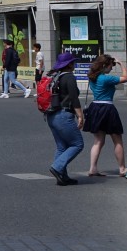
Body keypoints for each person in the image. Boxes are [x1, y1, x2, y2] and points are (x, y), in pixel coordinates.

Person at [84, 54, 127, 177]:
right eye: (110, 66)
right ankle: (122, 168)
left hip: (95, 107)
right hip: (107, 107)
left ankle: (92, 168)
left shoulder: (93, 77)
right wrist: (121, 64)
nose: (111, 68)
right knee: (117, 139)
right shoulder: (105, 78)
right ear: (104, 66)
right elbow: (126, 78)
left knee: (98, 141)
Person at [44, 52, 85, 185]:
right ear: (69, 64)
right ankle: (57, 167)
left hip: (51, 115)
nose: (74, 64)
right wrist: (80, 115)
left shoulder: (55, 77)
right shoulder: (69, 77)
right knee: (77, 144)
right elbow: (74, 98)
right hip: (64, 114)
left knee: (62, 147)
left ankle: (62, 177)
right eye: (73, 62)